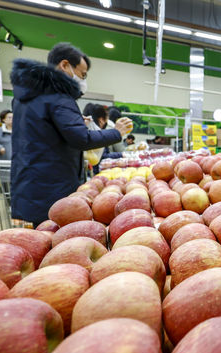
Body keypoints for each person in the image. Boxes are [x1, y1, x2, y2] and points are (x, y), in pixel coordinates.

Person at [9, 42, 132, 226]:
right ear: (64, 65)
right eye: (82, 74)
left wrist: (71, 123)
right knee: (55, 237)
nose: (83, 80)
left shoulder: (27, 96)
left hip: (31, 180)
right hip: (53, 185)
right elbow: (82, 138)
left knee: (41, 235)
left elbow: (43, 132)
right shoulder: (58, 96)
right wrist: (117, 133)